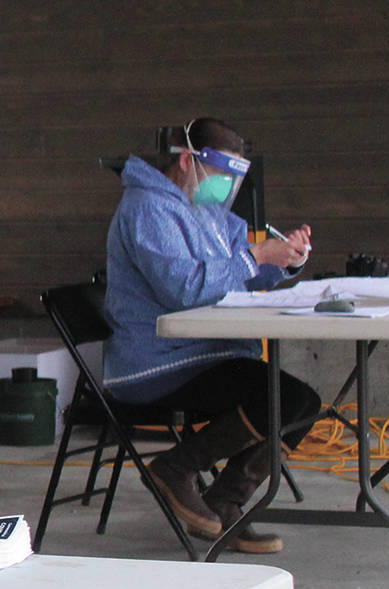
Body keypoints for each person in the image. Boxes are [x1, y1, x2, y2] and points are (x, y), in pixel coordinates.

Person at [105, 116, 316, 554]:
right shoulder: (148, 208)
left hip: (205, 353)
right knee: (273, 397)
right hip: (159, 361)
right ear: (187, 161)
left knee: (301, 403)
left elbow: (239, 276)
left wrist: (283, 261)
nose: (226, 189)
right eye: (222, 177)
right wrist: (256, 255)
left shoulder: (210, 214)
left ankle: (224, 502)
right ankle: (175, 469)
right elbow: (184, 288)